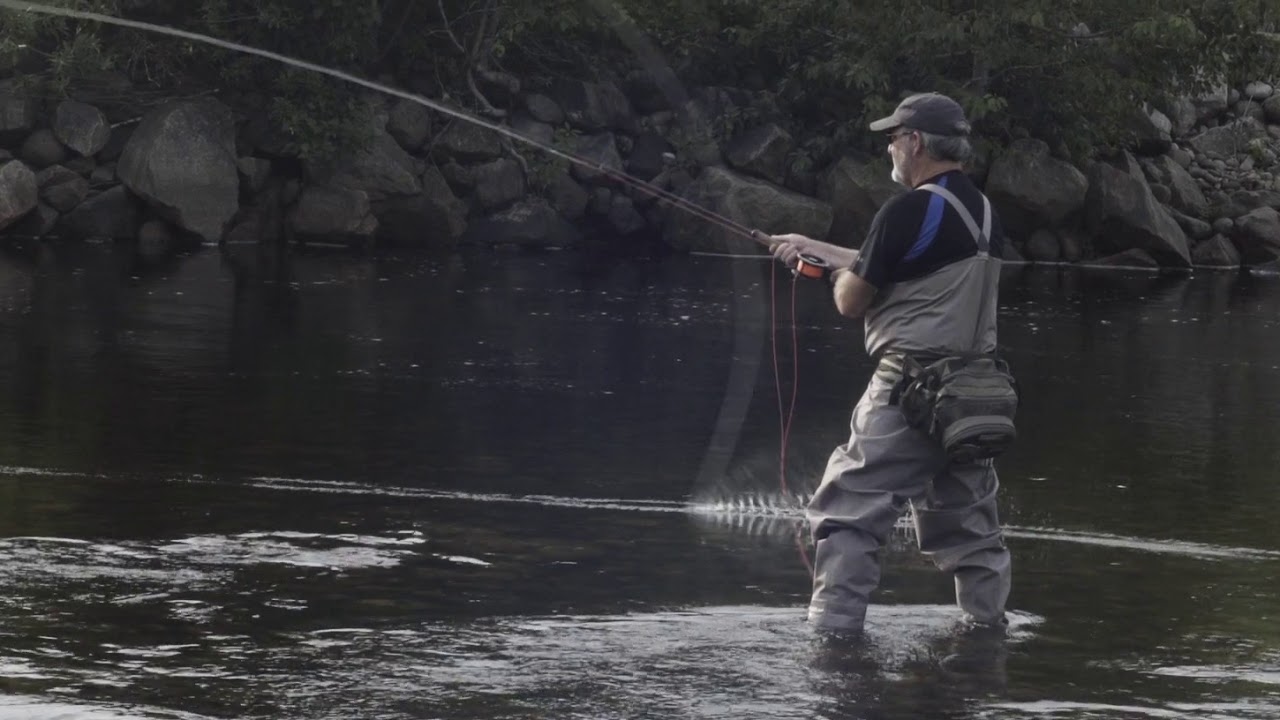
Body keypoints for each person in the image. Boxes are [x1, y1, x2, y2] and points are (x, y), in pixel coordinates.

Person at [764, 92, 1012, 634]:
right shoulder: (982, 210)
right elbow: (912, 266)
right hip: (974, 396)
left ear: (915, 141)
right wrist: (817, 247)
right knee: (972, 530)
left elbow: (854, 299)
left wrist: (833, 277)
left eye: (893, 139)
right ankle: (986, 641)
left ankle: (833, 645)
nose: (890, 150)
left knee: (846, 514)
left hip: (911, 390)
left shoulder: (907, 208)